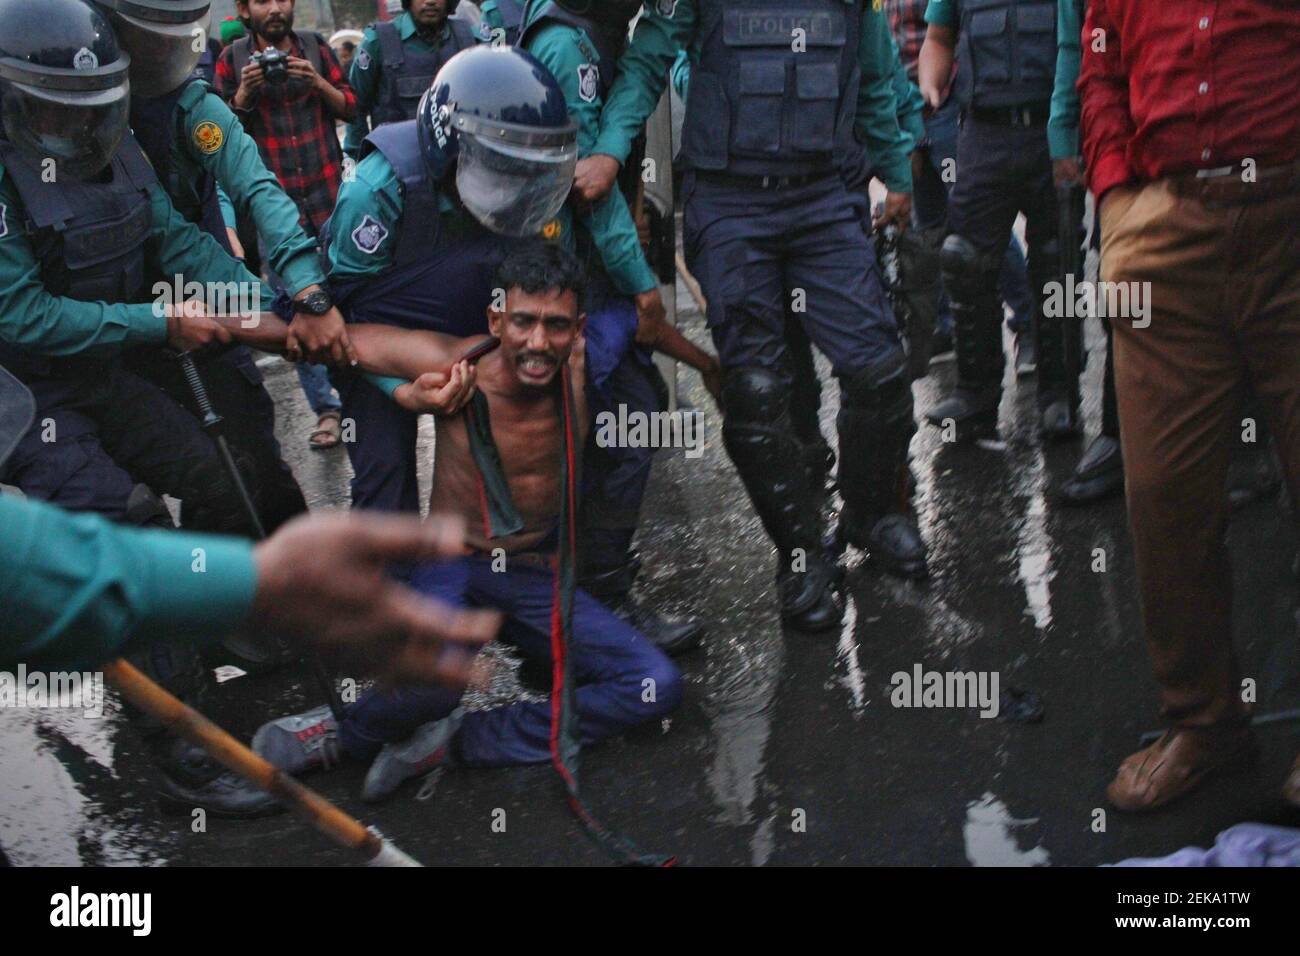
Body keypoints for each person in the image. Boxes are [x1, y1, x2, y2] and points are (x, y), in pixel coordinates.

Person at [0, 0, 309, 814]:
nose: (79, 125)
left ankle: (204, 628)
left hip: (103, 368)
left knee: (213, 475)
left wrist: (269, 314)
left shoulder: (117, 142)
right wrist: (158, 321)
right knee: (130, 523)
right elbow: (22, 316)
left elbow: (172, 238)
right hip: (28, 394)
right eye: (58, 108)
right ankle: (181, 746)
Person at [249, 243, 683, 802]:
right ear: (496, 318)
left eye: (555, 326)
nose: (536, 341)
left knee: (656, 687)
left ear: (577, 329)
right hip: (455, 564)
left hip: (534, 573)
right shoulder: (455, 361)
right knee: (434, 684)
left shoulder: (588, 356)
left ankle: (458, 742)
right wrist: (182, 323)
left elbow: (644, 320)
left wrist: (710, 365)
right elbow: (330, 339)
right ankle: (347, 728)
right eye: (523, 321)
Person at [326, 44, 706, 651]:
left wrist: (632, 305)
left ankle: (597, 589)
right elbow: (335, 316)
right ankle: (399, 643)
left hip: (504, 318)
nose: (516, 190)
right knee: (384, 475)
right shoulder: (376, 190)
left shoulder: (531, 178)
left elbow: (568, 264)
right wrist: (400, 388)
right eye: (501, 171)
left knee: (632, 410)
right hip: (388, 330)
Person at [571, 1, 929, 633]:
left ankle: (870, 514)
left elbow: (874, 83)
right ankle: (801, 556)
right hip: (731, 203)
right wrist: (607, 150)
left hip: (822, 199)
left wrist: (897, 177)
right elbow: (648, 63)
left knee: (879, 372)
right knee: (757, 392)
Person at [1078, 0, 1300, 812]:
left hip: (1291, 222)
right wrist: (1114, 203)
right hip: (1163, 232)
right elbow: (1100, 62)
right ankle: (1205, 724)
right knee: (1164, 498)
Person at [517, 0, 717, 651]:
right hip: (573, 279)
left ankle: (581, 589)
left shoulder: (593, 30)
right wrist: (642, 288)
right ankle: (585, 601)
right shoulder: (568, 44)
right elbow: (591, 191)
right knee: (616, 421)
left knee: (623, 417)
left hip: (579, 275)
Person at [917, 0, 1085, 443]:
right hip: (982, 134)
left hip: (1052, 131)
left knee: (1057, 261)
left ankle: (1059, 396)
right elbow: (938, 37)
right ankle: (974, 395)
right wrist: (930, 84)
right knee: (964, 259)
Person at [215, 0, 357, 449]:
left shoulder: (315, 48)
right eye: (262, 0)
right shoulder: (231, 60)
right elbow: (213, 139)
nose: (275, 8)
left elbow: (352, 107)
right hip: (276, 221)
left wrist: (314, 81)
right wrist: (243, 95)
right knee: (301, 314)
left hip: (332, 203)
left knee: (353, 302)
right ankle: (329, 410)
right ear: (243, 8)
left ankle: (364, 396)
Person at [884, 0, 1036, 374]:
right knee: (929, 221)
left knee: (974, 224)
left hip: (949, 104)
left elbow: (946, 35)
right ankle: (945, 325)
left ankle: (1028, 322)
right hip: (907, 106)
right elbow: (889, 45)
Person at [343, 0, 478, 159]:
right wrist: (361, 163)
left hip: (460, 164)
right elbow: (354, 109)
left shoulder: (469, 39)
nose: (430, 2)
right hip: (398, 165)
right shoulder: (377, 42)